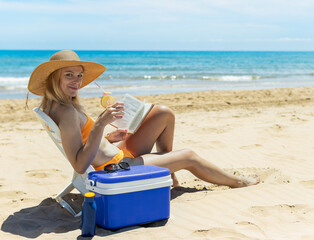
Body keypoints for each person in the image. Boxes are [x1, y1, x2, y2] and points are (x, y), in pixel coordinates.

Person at [28, 50, 259, 188]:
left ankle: (170, 174)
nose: (76, 81)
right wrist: (99, 123)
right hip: (116, 168)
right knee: (190, 156)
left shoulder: (59, 106)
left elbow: (81, 142)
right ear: (53, 78)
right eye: (68, 75)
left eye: (78, 76)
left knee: (163, 113)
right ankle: (239, 182)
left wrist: (108, 135)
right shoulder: (67, 113)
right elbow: (79, 164)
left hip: (117, 154)